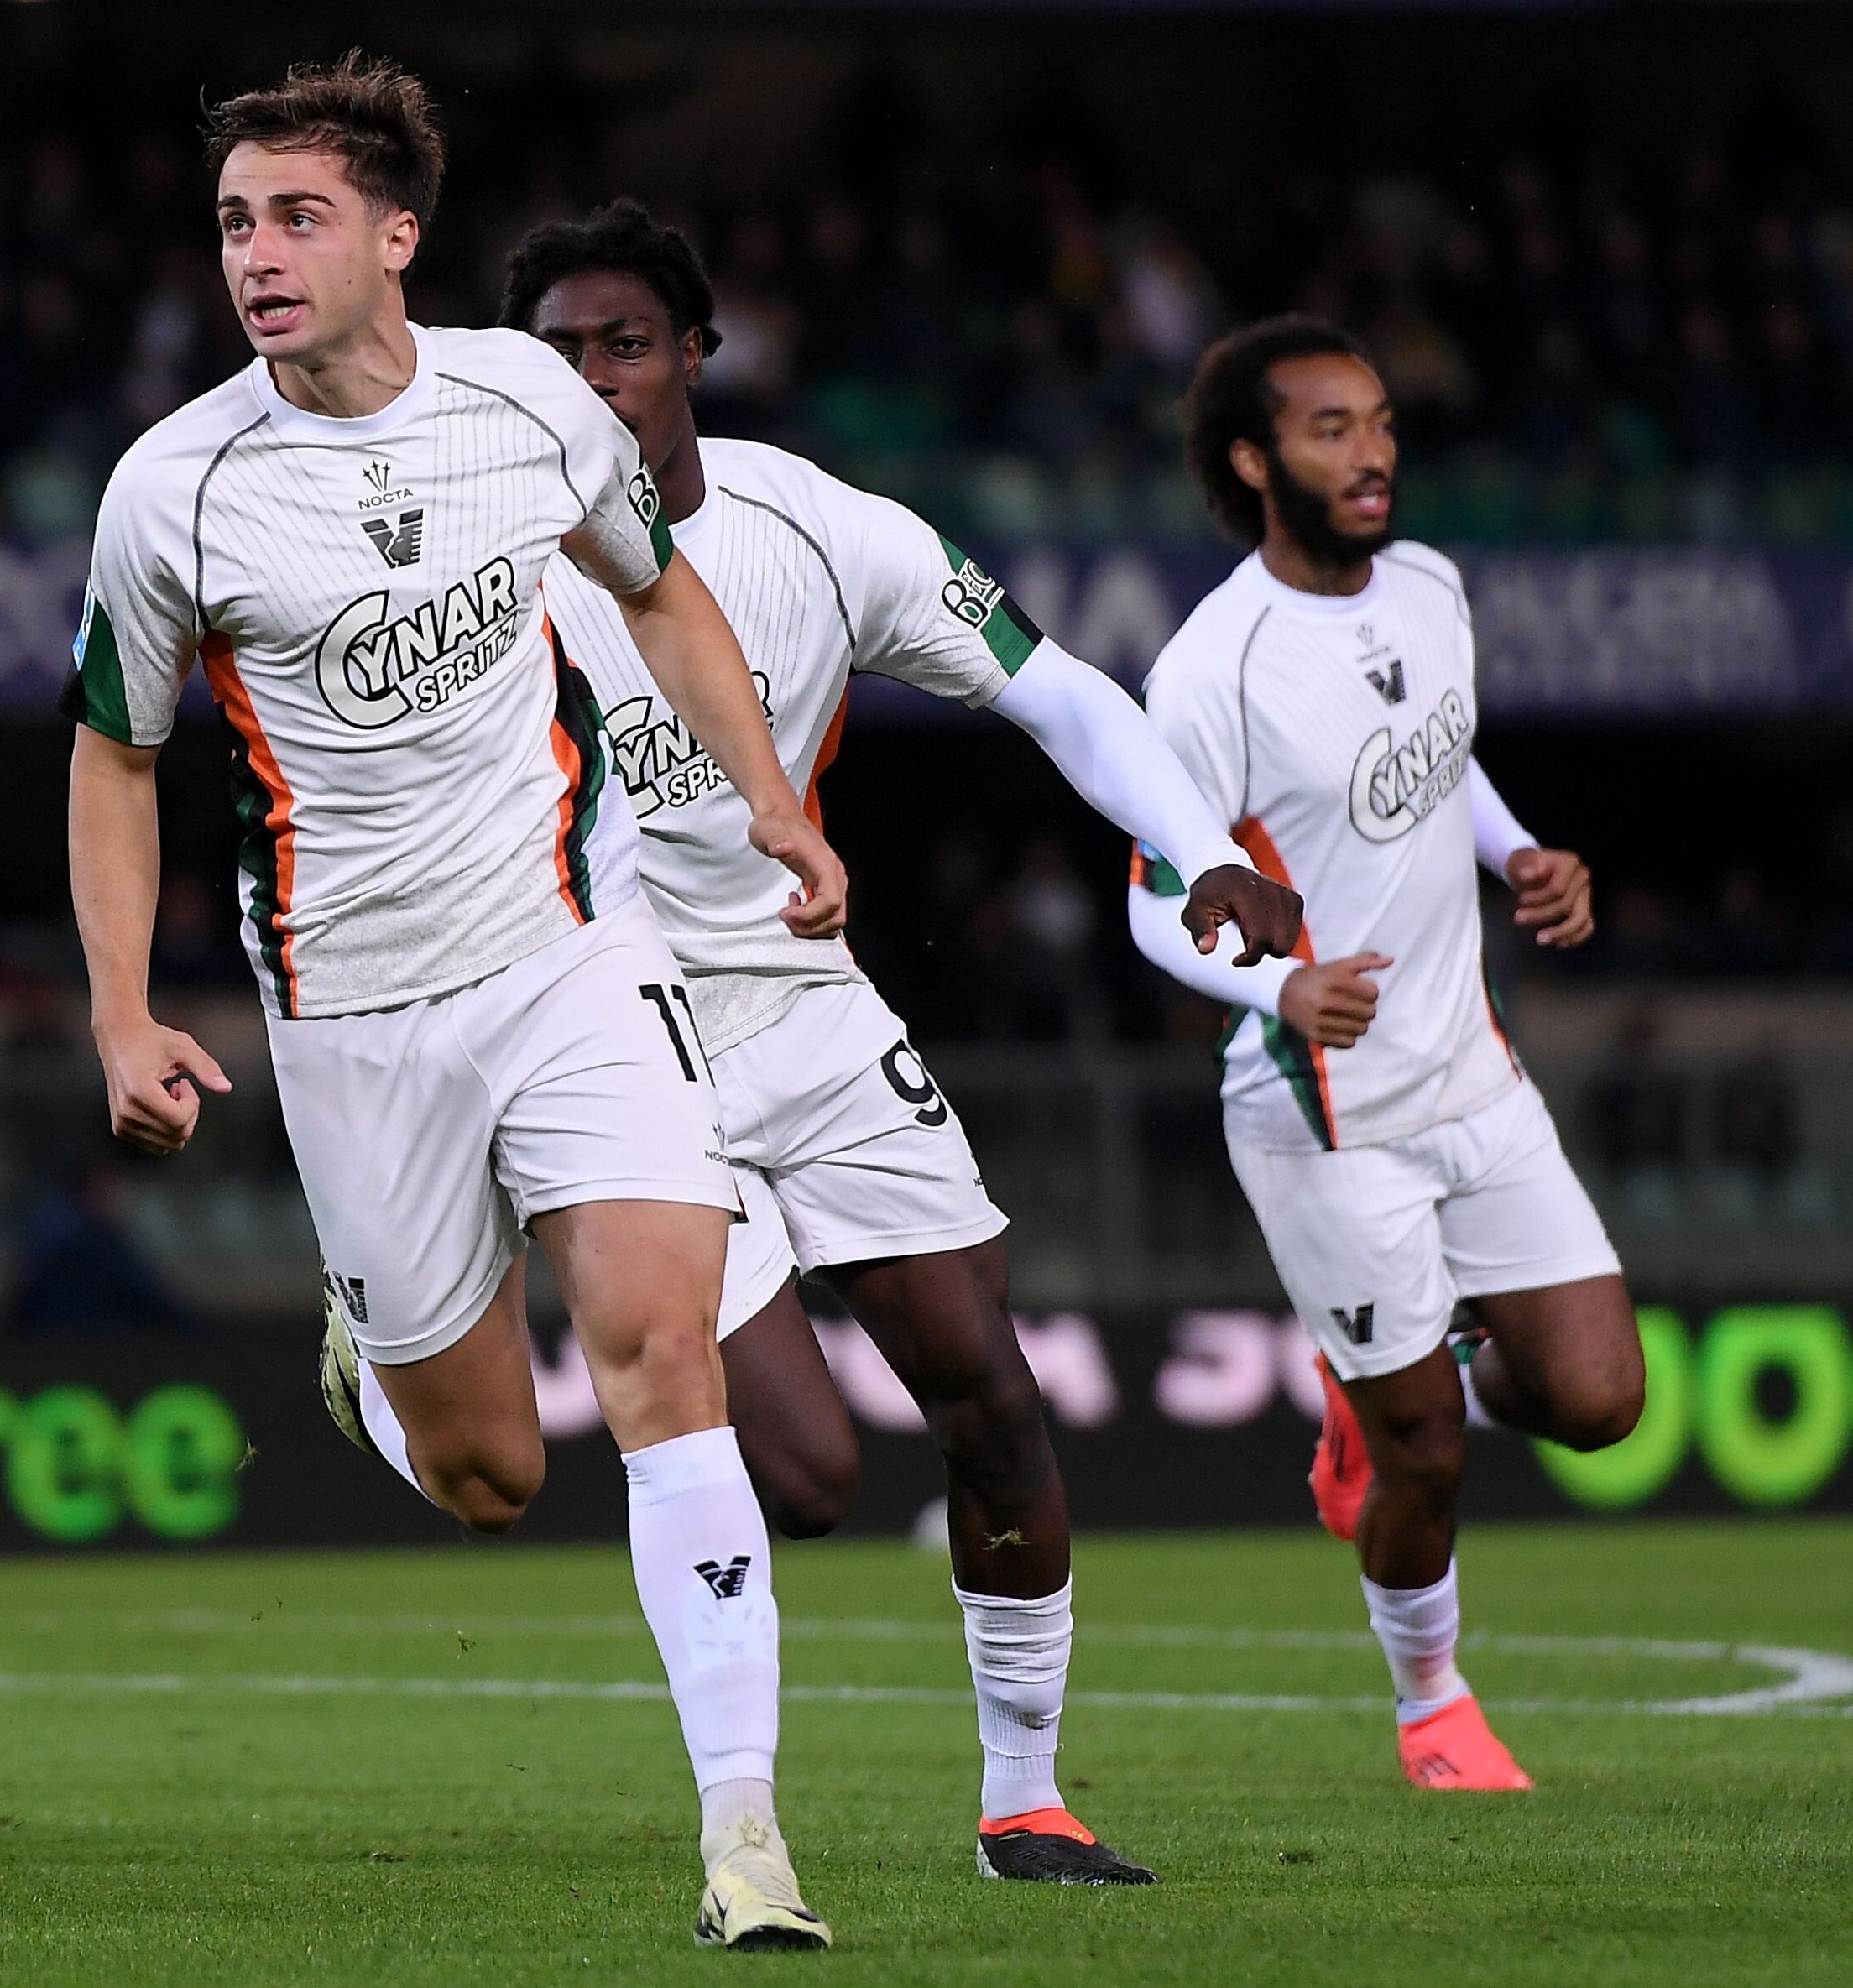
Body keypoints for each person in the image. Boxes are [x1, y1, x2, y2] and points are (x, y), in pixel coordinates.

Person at [337, 198, 1305, 1885]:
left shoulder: (821, 528)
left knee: (992, 1394)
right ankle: (397, 1339)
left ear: (696, 355)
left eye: (627, 344)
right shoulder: (472, 568)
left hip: (806, 1001)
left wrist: (1197, 844)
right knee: (806, 1475)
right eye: (560, 354)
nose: (596, 378)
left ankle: (1026, 1803)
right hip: (614, 1028)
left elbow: (1055, 691)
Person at [65, 58, 846, 1950]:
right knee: (492, 1475)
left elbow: (657, 594)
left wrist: (771, 801)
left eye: (299, 215)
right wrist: (120, 1011)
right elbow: (115, 755)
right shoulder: (173, 489)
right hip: (350, 1011)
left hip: (574, 949)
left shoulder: (524, 400)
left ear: (397, 235)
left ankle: (745, 1838)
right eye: (235, 221)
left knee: (664, 1354)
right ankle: (380, 1353)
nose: (257, 254)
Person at [1128, 315, 1643, 1791]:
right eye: (1330, 429)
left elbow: (1443, 756)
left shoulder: (1427, 584)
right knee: (1423, 1452)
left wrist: (1517, 850)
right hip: (1323, 1110)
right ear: (1251, 461)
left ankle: (1411, 1367)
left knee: (1599, 1400)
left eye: (1379, 424)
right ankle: (1434, 1706)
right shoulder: (1212, 669)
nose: (1371, 455)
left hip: (1470, 1070)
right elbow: (1154, 901)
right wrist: (1279, 984)